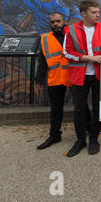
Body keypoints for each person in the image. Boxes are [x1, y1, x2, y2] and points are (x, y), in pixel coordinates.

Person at [63, 0, 101, 157]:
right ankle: (80, 140)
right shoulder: (70, 30)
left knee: (98, 108)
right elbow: (67, 53)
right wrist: (89, 58)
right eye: (94, 12)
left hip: (99, 75)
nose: (98, 14)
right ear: (84, 14)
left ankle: (94, 139)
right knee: (79, 109)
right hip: (79, 75)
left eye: (98, 12)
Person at [35, 12, 71, 149]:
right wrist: (39, 79)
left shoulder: (72, 35)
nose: (55, 24)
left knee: (81, 106)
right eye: (52, 22)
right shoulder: (45, 38)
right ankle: (54, 135)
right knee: (56, 109)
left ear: (64, 21)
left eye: (58, 21)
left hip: (72, 76)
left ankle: (87, 130)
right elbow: (42, 61)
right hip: (55, 78)